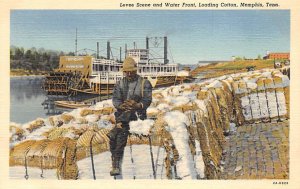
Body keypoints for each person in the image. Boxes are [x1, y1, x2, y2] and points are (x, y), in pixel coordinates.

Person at [109, 57, 152, 176]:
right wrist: (122, 105)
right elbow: (116, 100)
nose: (128, 74)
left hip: (137, 115)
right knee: (118, 132)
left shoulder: (144, 83)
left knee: (121, 133)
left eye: (131, 71)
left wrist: (137, 105)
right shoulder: (120, 84)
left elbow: (147, 100)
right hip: (123, 113)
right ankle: (120, 124)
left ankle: (116, 164)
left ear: (135, 70)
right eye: (126, 71)